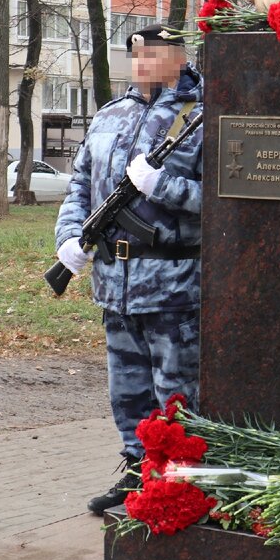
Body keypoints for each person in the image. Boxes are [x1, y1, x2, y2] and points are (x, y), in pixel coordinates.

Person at [54, 25, 204, 515]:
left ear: (180, 57)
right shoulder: (109, 115)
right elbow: (79, 184)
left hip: (173, 285)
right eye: (136, 51)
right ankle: (139, 472)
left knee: (177, 396)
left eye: (155, 51)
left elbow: (228, 203)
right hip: (114, 286)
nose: (142, 59)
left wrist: (165, 187)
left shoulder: (202, 117)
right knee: (128, 393)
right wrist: (69, 238)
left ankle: (180, 482)